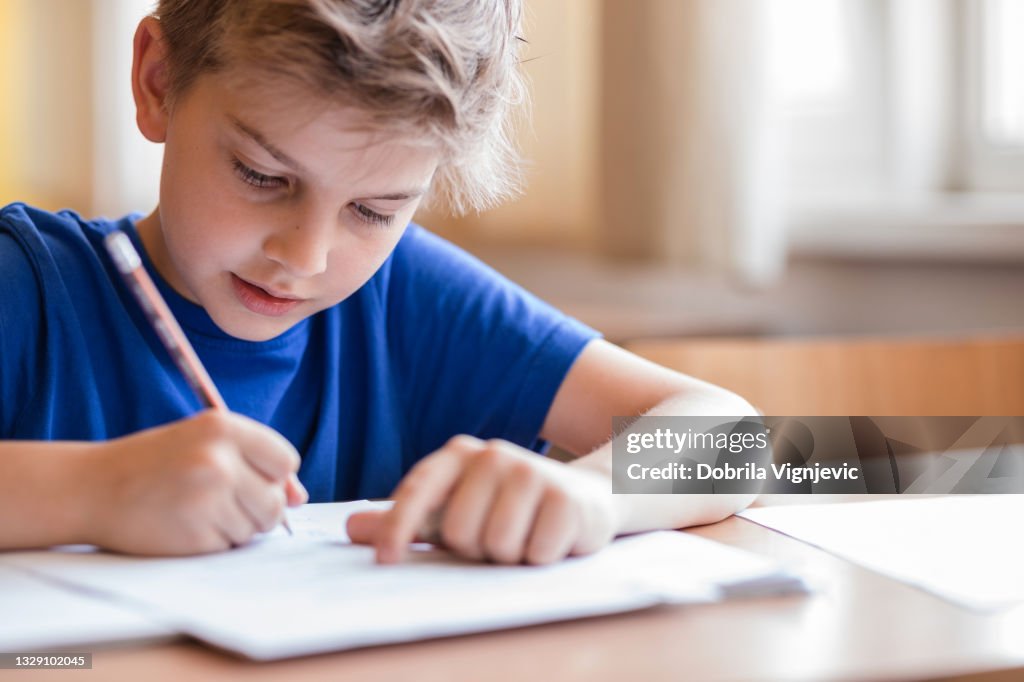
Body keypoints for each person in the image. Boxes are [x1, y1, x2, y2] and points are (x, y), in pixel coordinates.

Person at [0, 0, 755, 564]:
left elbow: (747, 442)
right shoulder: (26, 285)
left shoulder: (403, 298)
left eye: (375, 209)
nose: (307, 255)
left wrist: (594, 496)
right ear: (159, 80)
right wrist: (93, 489)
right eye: (262, 176)